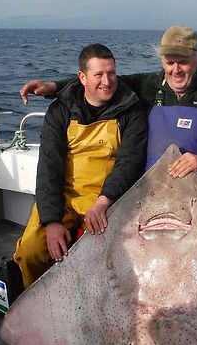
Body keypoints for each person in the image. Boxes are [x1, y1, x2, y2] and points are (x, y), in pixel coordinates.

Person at [20, 26, 197, 187]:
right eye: (170, 62)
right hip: (148, 187)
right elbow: (102, 84)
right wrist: (52, 87)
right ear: (161, 60)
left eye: (184, 62)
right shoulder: (148, 84)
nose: (176, 70)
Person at [15, 43, 147, 288]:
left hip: (105, 199)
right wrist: (52, 221)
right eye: (98, 74)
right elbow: (49, 168)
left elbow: (129, 163)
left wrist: (104, 200)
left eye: (111, 73)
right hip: (64, 199)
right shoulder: (60, 111)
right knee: (31, 252)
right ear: (82, 78)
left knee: (110, 259)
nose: (107, 81)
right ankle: (37, 313)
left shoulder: (131, 109)